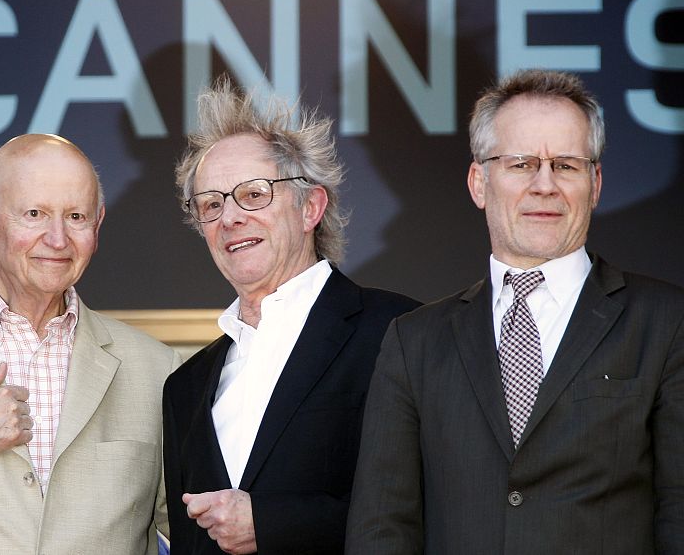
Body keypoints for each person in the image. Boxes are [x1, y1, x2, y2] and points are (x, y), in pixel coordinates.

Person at [345, 69, 684, 554]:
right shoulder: (414, 341)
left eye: (566, 165)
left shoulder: (667, 322)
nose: (545, 185)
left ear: (595, 183)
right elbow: (382, 529)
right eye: (521, 164)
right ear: (479, 182)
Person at [0, 134, 180, 554]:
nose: (57, 239)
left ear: (97, 226)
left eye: (76, 216)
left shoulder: (157, 369)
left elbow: (199, 531)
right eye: (34, 214)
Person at [163, 79, 419, 554]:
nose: (230, 218)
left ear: (311, 208)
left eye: (254, 194)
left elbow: (435, 504)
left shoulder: (399, 332)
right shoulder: (186, 387)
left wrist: (272, 523)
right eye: (211, 204)